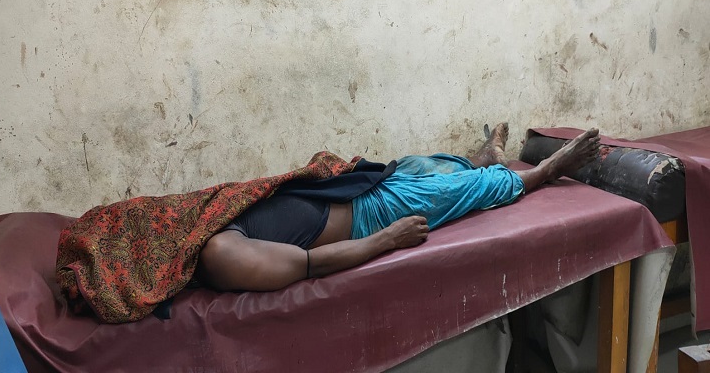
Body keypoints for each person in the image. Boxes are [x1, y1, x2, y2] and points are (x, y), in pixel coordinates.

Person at [197, 124, 601, 292]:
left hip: (350, 188)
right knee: (460, 189)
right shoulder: (220, 254)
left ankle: (484, 157)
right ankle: (545, 171)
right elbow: (311, 264)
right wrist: (389, 238)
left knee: (419, 165)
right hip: (369, 216)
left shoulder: (206, 222)